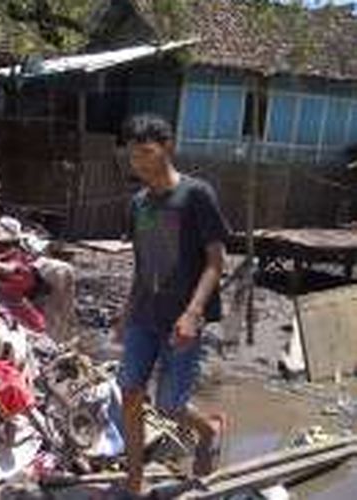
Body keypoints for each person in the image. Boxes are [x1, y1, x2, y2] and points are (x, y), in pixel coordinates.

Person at [116, 114, 230, 497]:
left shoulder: (196, 195)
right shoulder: (137, 204)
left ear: (168, 146)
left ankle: (208, 429)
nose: (141, 164)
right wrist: (126, 310)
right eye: (134, 157)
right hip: (144, 315)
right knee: (130, 392)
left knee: (169, 404)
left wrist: (193, 313)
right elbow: (142, 264)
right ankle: (134, 482)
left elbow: (216, 260)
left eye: (147, 153)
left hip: (183, 319)